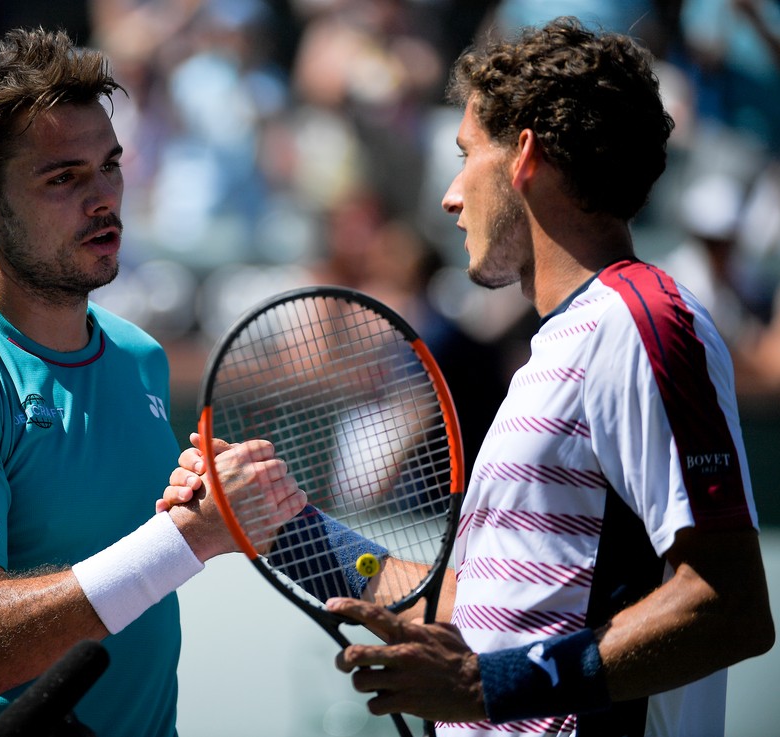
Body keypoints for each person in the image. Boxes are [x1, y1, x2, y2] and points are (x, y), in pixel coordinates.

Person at [161, 15, 775, 737]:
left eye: (465, 154)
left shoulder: (641, 322)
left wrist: (487, 686)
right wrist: (282, 525)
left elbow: (729, 605)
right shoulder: (563, 347)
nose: (450, 195)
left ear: (524, 157)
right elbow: (478, 612)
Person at [0, 27, 304, 736]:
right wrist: (185, 538)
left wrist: (190, 516)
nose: (104, 199)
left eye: (110, 166)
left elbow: (139, 551)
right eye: (63, 177)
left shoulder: (140, 357)